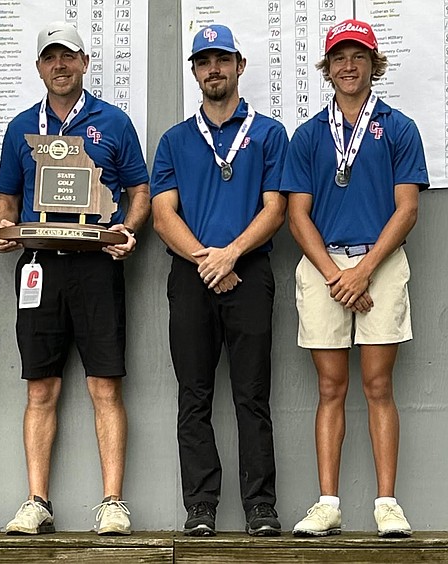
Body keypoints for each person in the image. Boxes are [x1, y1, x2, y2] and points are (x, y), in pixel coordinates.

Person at [0, 22, 150, 536]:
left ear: (84, 62)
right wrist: (1, 227)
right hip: (40, 266)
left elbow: (139, 190)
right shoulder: (20, 127)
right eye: (50, 58)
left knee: (105, 386)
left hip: (98, 266)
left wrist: (128, 229)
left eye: (68, 56)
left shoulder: (115, 122)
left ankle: (112, 503)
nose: (59, 65)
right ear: (39, 67)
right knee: (41, 389)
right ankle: (36, 500)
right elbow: (6, 198)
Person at [283, 19, 428, 538]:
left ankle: (387, 503)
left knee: (378, 385)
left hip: (380, 267)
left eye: (358, 57)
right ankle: (328, 503)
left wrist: (362, 272)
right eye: (339, 58)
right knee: (329, 387)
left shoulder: (400, 127)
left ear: (373, 65)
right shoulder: (309, 134)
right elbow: (297, 214)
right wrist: (335, 274)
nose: (349, 66)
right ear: (327, 68)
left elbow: (407, 209)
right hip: (324, 269)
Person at [151, 24, 288, 537]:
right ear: (194, 71)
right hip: (191, 276)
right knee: (194, 396)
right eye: (204, 61)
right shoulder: (175, 140)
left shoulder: (270, 133)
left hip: (249, 272)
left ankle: (261, 508)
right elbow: (164, 215)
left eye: (222, 59)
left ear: (239, 65)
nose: (213, 69)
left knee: (252, 395)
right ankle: (201, 508)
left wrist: (230, 255)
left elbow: (276, 209)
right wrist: (207, 262)